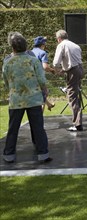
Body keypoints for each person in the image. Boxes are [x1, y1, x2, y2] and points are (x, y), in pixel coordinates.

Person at [2, 32, 52, 163]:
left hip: (16, 100)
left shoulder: (7, 62)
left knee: (13, 129)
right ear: (26, 46)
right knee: (38, 128)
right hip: (34, 99)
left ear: (12, 47)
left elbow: (5, 81)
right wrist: (45, 90)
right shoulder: (33, 60)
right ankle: (43, 154)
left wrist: (12, 90)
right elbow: (41, 79)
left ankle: (9, 155)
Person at [53, 30, 83, 132]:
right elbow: (74, 60)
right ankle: (78, 121)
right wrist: (64, 69)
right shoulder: (75, 45)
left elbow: (56, 62)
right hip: (79, 70)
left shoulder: (61, 45)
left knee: (72, 97)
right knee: (76, 95)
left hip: (72, 72)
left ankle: (77, 124)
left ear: (59, 38)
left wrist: (56, 71)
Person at [31, 36, 56, 111]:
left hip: (29, 78)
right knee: (43, 95)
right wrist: (52, 70)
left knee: (40, 95)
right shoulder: (42, 53)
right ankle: (39, 118)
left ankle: (49, 105)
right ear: (43, 44)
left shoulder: (30, 52)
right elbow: (45, 67)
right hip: (39, 78)